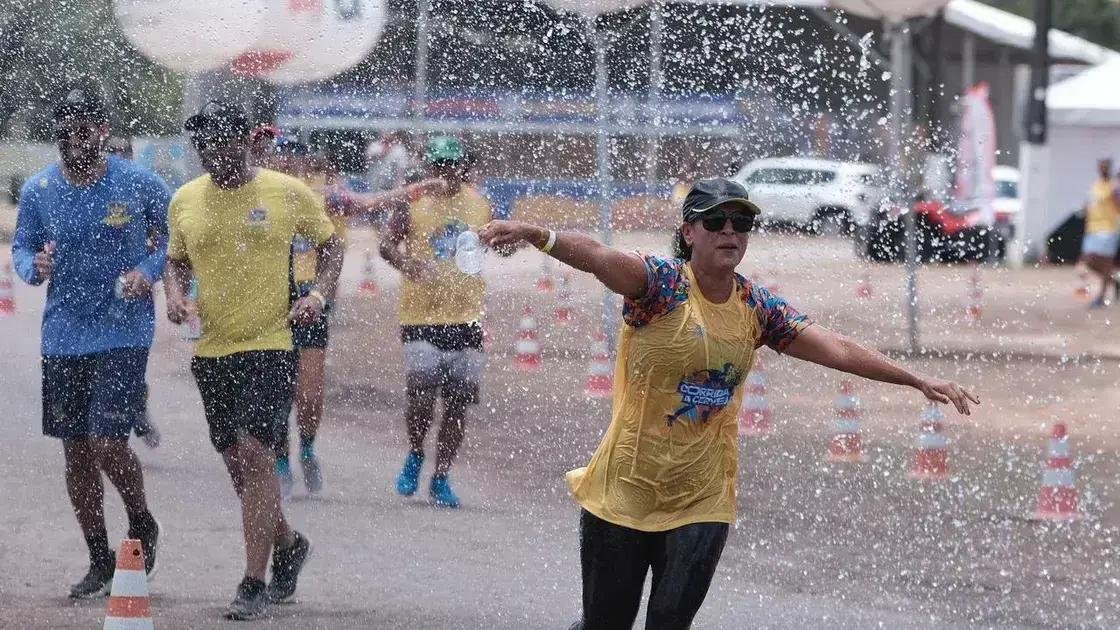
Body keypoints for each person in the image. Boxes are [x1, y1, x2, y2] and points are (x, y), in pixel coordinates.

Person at [478, 178, 979, 630]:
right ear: (689, 231)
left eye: (742, 222)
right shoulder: (662, 285)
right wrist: (535, 233)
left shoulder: (756, 307)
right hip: (624, 492)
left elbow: (836, 347)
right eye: (715, 221)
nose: (729, 231)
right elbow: (596, 255)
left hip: (702, 498)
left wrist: (915, 379)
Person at [163, 100, 344, 620]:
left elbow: (330, 247)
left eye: (221, 142)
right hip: (213, 348)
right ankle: (287, 543)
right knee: (237, 463)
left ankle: (252, 582)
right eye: (203, 146)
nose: (212, 154)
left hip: (271, 342)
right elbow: (175, 259)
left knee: (256, 452)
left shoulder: (286, 193)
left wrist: (318, 295)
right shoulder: (186, 200)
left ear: (245, 141)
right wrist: (174, 296)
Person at [11, 86, 168, 598]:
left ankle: (142, 521)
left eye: (86, 127)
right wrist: (33, 267)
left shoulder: (140, 183)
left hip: (123, 329)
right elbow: (23, 248)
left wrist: (148, 269)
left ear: (104, 131)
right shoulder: (38, 190)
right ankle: (99, 558)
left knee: (106, 442)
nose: (76, 137)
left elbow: (173, 240)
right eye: (67, 128)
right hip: (63, 336)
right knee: (76, 454)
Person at [379, 136, 492, 509]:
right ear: (429, 168)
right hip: (420, 316)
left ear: (463, 166)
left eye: (452, 165)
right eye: (438, 165)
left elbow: (499, 243)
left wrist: (514, 242)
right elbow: (385, 245)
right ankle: (415, 453)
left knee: (457, 404)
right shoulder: (413, 205)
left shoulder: (479, 206)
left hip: (467, 317)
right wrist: (407, 264)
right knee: (422, 393)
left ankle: (441, 476)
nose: (445, 172)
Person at [271, 142, 351, 498]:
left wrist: (321, 293)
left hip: (309, 300)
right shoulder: (262, 191)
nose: (286, 161)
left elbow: (337, 240)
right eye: (279, 154)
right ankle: (282, 460)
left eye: (292, 155)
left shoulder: (322, 194)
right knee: (274, 392)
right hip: (270, 301)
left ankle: (306, 447)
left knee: (309, 393)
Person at [105, 134, 161, 450]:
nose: (118, 157)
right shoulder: (92, 189)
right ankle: (109, 432)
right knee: (101, 360)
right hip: (95, 294)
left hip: (133, 293)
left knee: (131, 359)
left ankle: (136, 404)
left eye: (123, 152)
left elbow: (164, 238)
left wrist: (148, 267)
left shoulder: (142, 188)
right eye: (112, 152)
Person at [1077, 158, 1120, 308]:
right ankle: (1113, 281)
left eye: (1105, 167)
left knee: (1106, 264)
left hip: (1108, 229)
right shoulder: (1095, 186)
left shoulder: (1114, 187)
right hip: (1092, 228)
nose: (1102, 169)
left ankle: (1100, 298)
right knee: (1088, 261)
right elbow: (1091, 203)